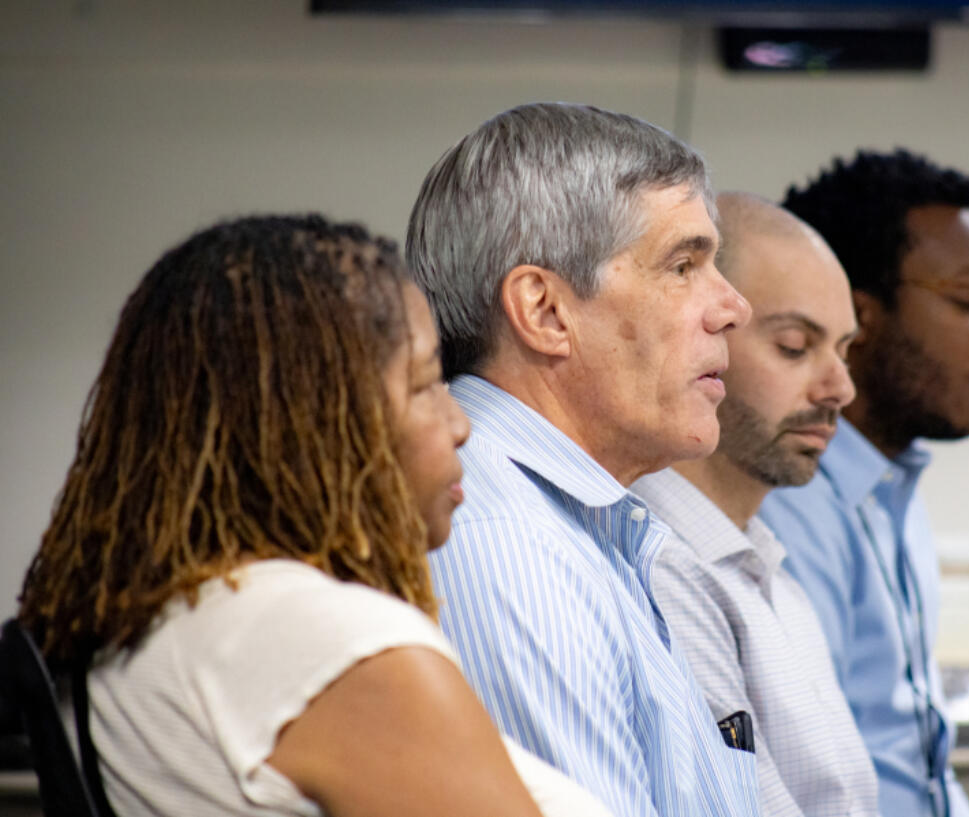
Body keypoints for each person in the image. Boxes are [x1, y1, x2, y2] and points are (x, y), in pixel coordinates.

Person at [16, 214, 614, 817]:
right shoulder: (332, 641)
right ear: (309, 424)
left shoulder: (150, 619)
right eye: (426, 384)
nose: (460, 424)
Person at [405, 102, 760, 817]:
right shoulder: (506, 541)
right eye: (684, 264)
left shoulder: (586, 524)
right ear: (544, 311)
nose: (732, 307)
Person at [758, 149, 969, 817]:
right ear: (859, 318)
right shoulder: (788, 505)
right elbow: (813, 785)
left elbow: (917, 763)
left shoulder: (891, 486)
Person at [631, 193, 879, 817]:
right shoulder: (660, 569)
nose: (840, 389)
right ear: (703, 339)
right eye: (795, 347)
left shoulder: (763, 568)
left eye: (845, 351)